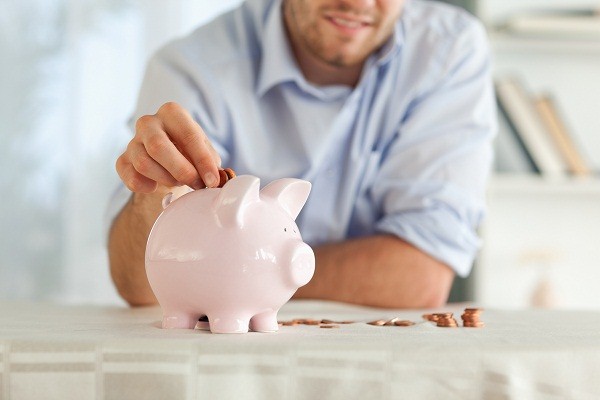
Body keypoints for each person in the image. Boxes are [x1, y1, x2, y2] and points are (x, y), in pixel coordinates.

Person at [108, 0, 496, 309]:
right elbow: (142, 287)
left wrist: (234, 268)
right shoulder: (192, 68)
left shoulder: (449, 51)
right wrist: (155, 192)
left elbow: (418, 277)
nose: (357, 2)